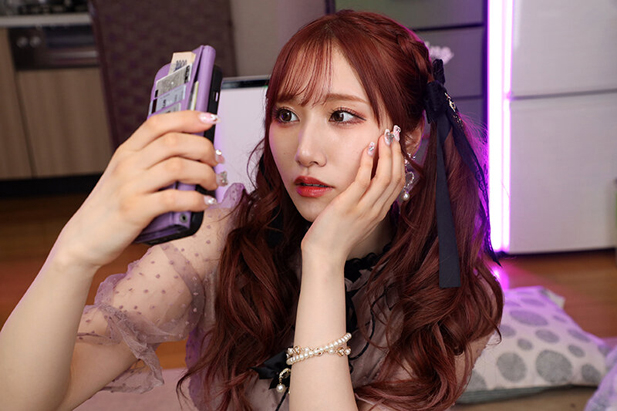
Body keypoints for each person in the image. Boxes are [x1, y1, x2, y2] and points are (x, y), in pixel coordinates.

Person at [0, 10, 503, 411]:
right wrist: (74, 253)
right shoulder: (220, 237)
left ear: (409, 137)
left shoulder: (457, 299)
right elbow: (21, 400)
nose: (305, 150)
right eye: (286, 114)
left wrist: (324, 260)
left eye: (341, 115)